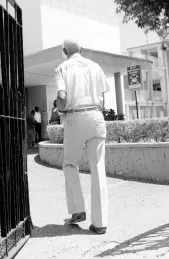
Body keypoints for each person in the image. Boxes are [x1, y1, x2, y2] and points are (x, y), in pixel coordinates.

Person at [54, 38, 110, 235]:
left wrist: (60, 110)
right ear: (82, 49)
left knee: (70, 163)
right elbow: (104, 95)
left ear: (64, 51)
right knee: (97, 167)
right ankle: (100, 223)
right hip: (96, 116)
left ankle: (78, 210)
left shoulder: (62, 68)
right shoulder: (95, 66)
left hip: (75, 118)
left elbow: (61, 97)